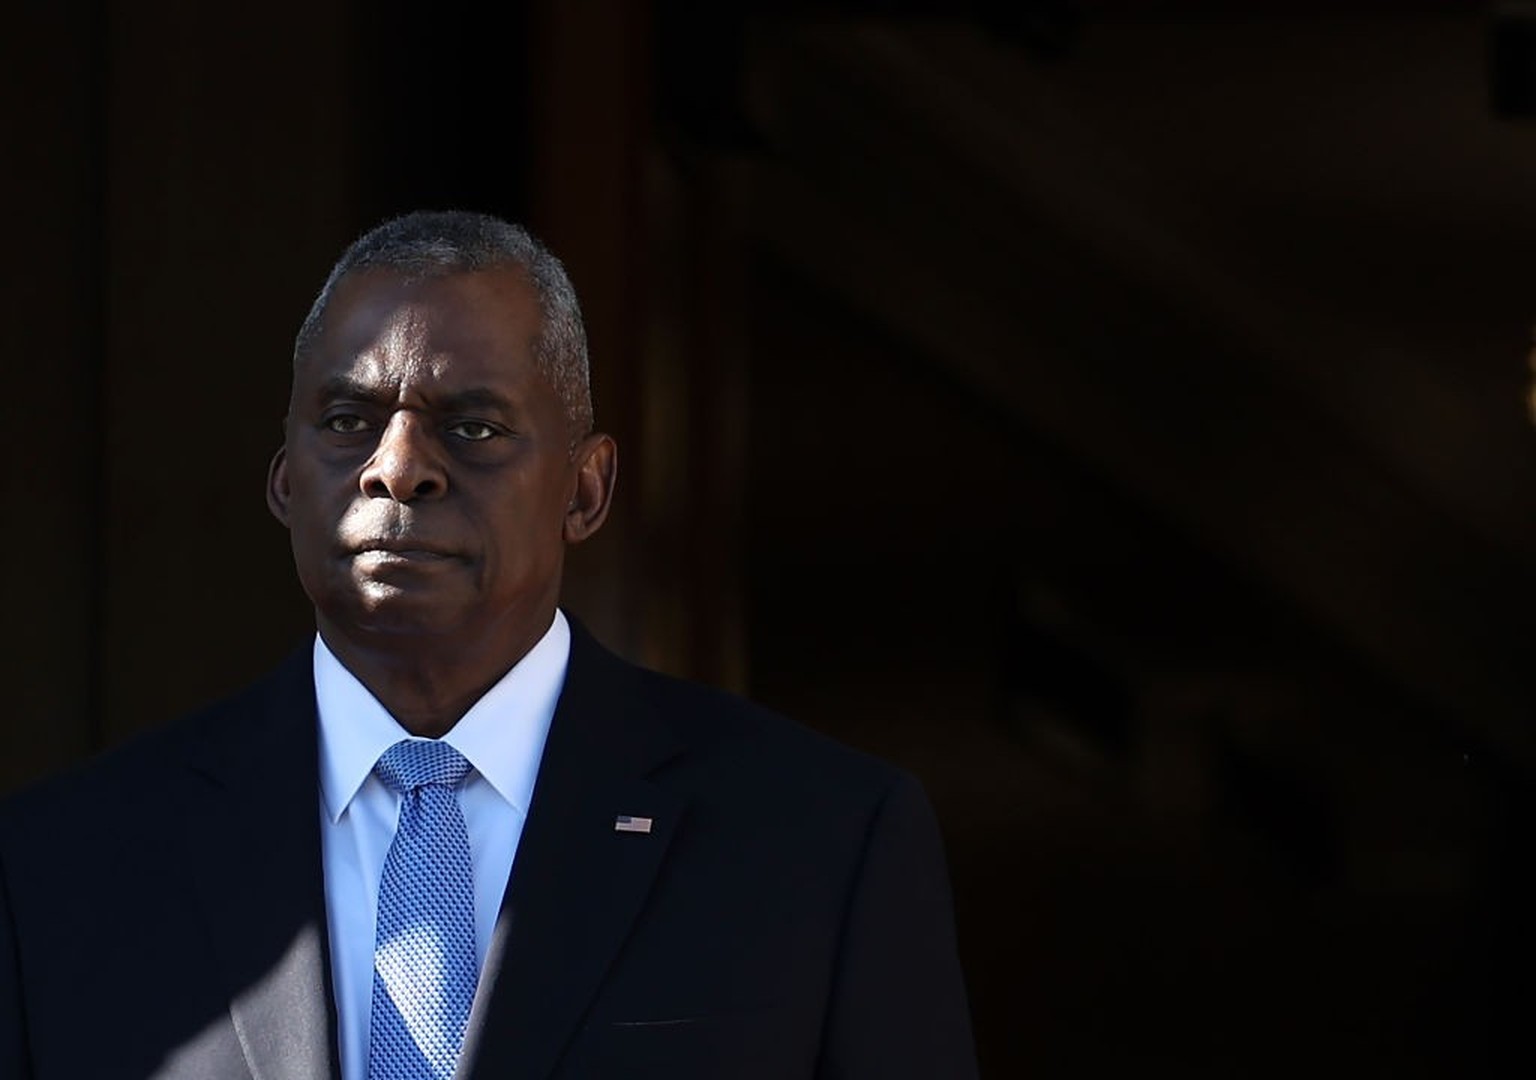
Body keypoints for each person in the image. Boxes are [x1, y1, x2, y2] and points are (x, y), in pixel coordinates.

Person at [0, 210, 978, 1079]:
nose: (396, 469)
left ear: (585, 492)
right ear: (286, 483)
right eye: (347, 420)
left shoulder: (821, 840)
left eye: (471, 428)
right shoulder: (65, 866)